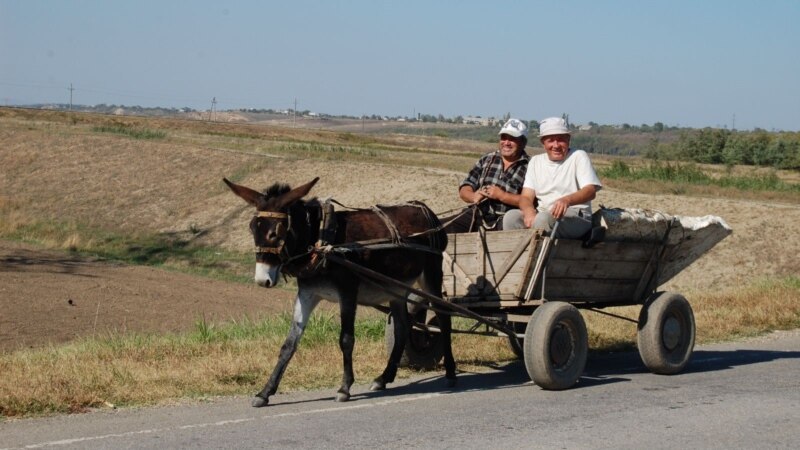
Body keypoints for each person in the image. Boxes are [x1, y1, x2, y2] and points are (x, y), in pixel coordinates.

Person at [505, 116, 602, 238]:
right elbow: (526, 197)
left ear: (568, 139)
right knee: (511, 217)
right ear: (543, 142)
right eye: (551, 140)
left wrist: (566, 200)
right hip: (544, 214)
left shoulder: (578, 156)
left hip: (576, 216)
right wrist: (529, 211)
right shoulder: (535, 161)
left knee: (543, 219)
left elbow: (590, 191)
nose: (556, 145)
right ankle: (518, 254)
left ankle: (539, 255)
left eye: (561, 140)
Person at [447, 118, 530, 232]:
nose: (506, 143)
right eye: (504, 138)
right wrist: (473, 196)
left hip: (505, 221)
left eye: (512, 139)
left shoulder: (530, 166)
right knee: (439, 230)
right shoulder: (487, 159)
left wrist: (501, 195)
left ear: (523, 142)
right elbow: (465, 187)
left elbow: (530, 201)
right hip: (476, 214)